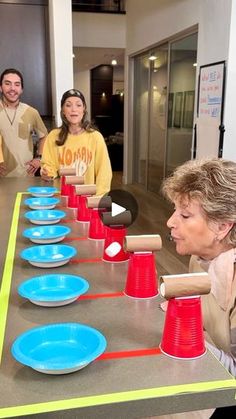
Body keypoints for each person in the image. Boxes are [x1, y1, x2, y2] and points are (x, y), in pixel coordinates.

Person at [161, 157, 236, 418]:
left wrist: (188, 339)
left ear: (223, 226)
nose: (171, 222)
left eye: (184, 215)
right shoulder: (200, 258)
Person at [41, 89, 112, 196]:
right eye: (68, 105)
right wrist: (47, 172)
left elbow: (104, 173)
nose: (74, 109)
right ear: (63, 111)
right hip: (62, 197)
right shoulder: (53, 136)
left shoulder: (95, 137)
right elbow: (49, 165)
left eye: (78, 105)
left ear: (84, 109)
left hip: (87, 200)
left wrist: (98, 199)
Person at [0, 68, 47, 177]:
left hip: (26, 176)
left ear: (21, 89)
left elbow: (45, 136)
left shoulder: (31, 112)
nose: (12, 88)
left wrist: (39, 158)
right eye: (7, 84)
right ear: (1, 87)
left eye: (17, 84)